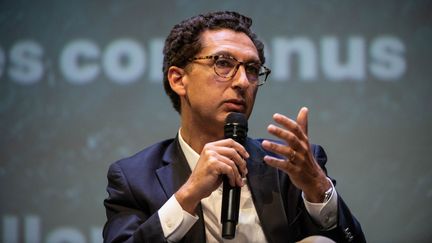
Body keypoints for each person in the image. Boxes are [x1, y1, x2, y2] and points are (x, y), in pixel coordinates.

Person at [103, 11, 366, 243]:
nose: (242, 81)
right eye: (223, 63)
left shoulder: (288, 166)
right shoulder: (134, 178)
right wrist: (188, 195)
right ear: (178, 80)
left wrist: (318, 187)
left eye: (252, 69)